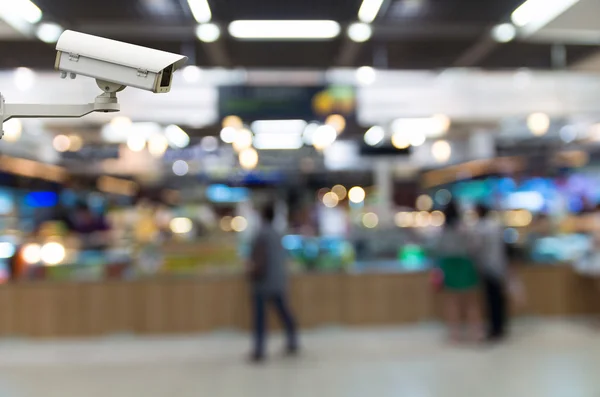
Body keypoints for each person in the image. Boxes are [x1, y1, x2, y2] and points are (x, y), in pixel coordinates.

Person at [247, 204, 298, 362]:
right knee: (283, 312)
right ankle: (292, 341)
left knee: (260, 318)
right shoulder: (278, 234)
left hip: (262, 282)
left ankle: (259, 349)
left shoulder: (260, 234)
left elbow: (257, 257)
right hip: (278, 280)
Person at [434, 201, 482, 342]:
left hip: (449, 264)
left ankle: (454, 333)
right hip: (464, 263)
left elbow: (437, 248)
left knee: (452, 301)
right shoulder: (464, 228)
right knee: (471, 301)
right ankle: (475, 332)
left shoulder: (443, 230)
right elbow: (474, 246)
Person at [475, 205, 509, 341]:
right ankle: (500, 327)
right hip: (498, 266)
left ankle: (495, 329)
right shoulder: (495, 226)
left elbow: (476, 248)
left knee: (492, 300)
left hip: (487, 267)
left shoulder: (481, 228)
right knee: (499, 299)